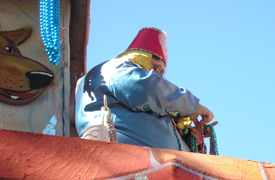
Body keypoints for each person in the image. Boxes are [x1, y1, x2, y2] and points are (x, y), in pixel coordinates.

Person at [75, 27, 215, 151]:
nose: (156, 77)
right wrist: (192, 106)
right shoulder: (113, 68)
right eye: (156, 68)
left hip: (154, 166)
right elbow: (145, 88)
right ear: (141, 57)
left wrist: (191, 140)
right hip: (122, 154)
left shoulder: (150, 100)